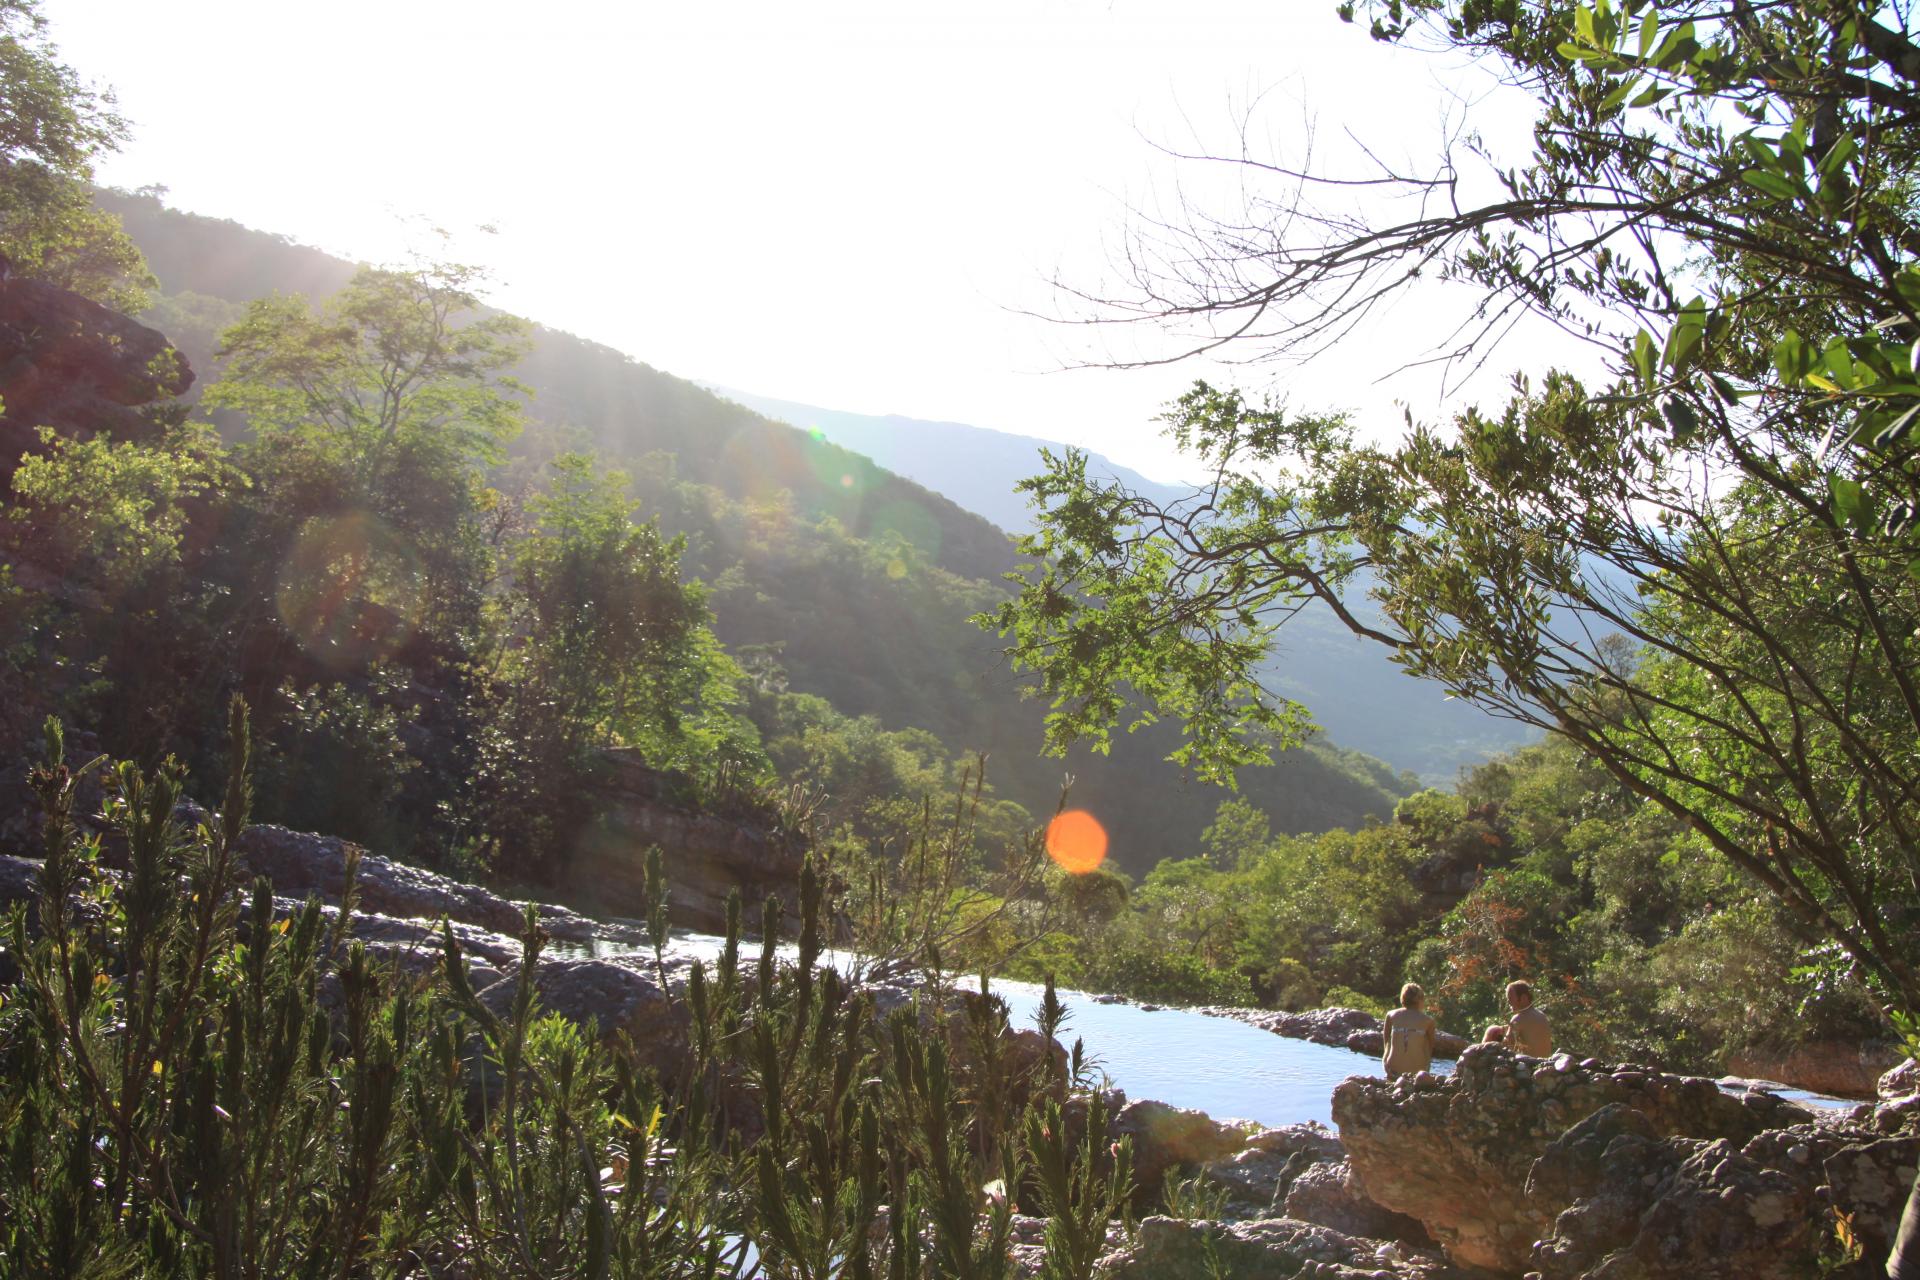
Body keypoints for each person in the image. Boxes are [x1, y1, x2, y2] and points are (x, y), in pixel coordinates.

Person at [1382, 983, 1438, 1078]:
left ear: (1402, 998)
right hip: (1417, 1072)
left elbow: (1386, 1042)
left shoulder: (1391, 1015)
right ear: (1420, 1000)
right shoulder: (1428, 1021)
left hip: (1393, 1069)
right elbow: (1430, 1048)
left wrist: (1384, 1062)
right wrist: (1427, 1070)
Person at [1506, 980, 1552, 1056]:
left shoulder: (1518, 1019)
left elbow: (1508, 1045)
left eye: (1510, 998)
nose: (1508, 1002)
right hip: (1545, 1062)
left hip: (1530, 1064)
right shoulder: (1541, 1015)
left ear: (1524, 998)